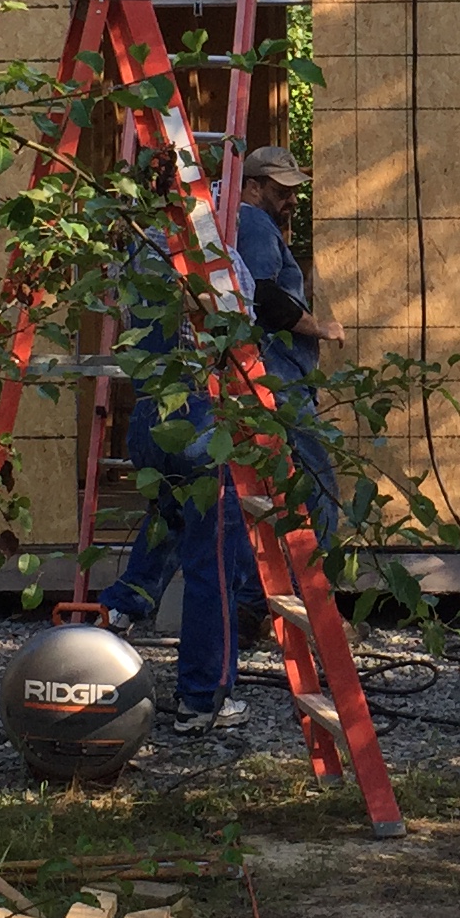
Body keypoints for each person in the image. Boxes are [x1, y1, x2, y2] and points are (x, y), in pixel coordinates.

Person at [170, 142, 345, 736]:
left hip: (269, 379)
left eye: (293, 190)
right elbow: (266, 299)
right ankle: (310, 604)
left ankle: (252, 607)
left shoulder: (244, 221)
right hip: (276, 382)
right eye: (281, 189)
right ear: (251, 186)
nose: (290, 199)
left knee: (257, 498)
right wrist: (321, 328)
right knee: (315, 486)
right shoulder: (250, 221)